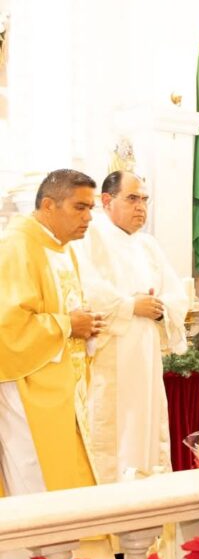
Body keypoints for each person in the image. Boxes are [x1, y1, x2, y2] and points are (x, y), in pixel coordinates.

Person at [75, 171, 189, 483]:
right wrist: (130, 306)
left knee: (147, 430)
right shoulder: (88, 237)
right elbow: (85, 288)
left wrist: (160, 309)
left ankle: (150, 517)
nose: (141, 207)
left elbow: (177, 295)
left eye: (144, 200)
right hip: (109, 354)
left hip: (146, 356)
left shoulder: (148, 245)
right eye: (133, 198)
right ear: (107, 201)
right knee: (114, 437)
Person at [0, 169, 103, 495]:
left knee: (65, 481)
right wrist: (68, 324)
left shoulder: (61, 248)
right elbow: (8, 326)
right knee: (34, 478)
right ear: (48, 205)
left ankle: (68, 545)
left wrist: (84, 327)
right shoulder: (17, 247)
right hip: (27, 388)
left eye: (91, 209)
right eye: (79, 207)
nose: (88, 217)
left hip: (61, 388)